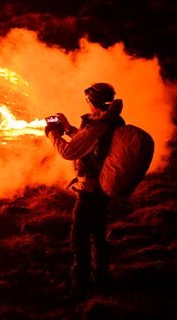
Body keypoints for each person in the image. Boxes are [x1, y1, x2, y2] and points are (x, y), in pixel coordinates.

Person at [45, 82, 125, 298]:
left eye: (88, 100)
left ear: (93, 101)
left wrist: (53, 134)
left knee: (79, 237)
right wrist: (68, 127)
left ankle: (81, 284)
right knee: (98, 235)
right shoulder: (109, 121)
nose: (87, 104)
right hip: (103, 188)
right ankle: (101, 278)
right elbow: (89, 143)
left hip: (91, 190)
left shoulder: (97, 126)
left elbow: (70, 152)